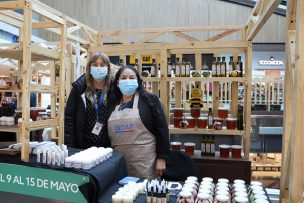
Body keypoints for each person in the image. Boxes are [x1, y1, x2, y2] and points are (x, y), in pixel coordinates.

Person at [107, 65, 170, 178]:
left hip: (145, 164)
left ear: (137, 82)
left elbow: (162, 130)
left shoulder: (150, 100)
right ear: (117, 83)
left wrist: (162, 158)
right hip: (118, 164)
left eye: (132, 78)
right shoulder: (112, 104)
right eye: (124, 78)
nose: (128, 81)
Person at [64, 52, 112, 149]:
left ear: (108, 68)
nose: (98, 67)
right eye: (95, 65)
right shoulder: (79, 88)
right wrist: (70, 146)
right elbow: (69, 118)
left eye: (102, 65)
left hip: (109, 146)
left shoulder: (114, 88)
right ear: (89, 68)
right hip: (83, 145)